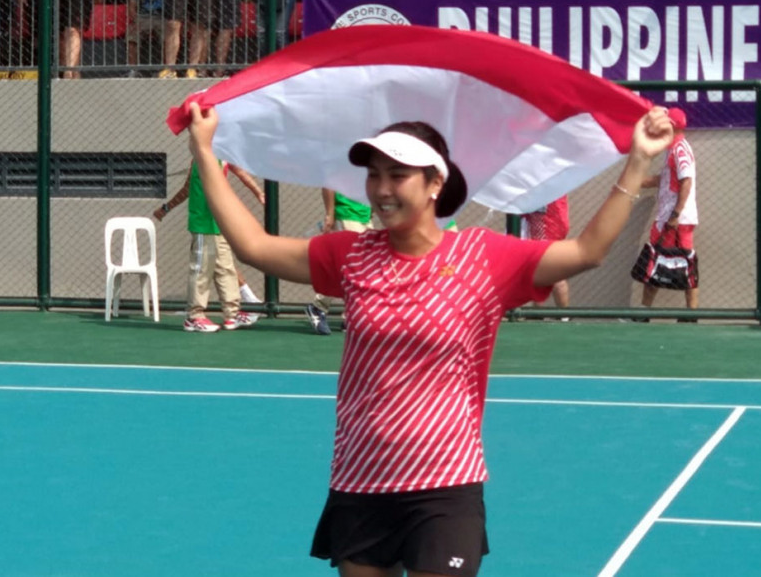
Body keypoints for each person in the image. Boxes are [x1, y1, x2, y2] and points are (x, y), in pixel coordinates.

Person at [183, 99, 676, 577]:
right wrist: (205, 152)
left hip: (446, 483)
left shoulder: (484, 257)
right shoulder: (350, 256)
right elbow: (254, 246)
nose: (381, 189)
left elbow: (587, 251)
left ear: (435, 182)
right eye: (374, 175)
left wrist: (636, 164)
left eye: (397, 176)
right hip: (361, 477)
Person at [153, 160, 265, 332]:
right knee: (201, 270)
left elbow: (241, 173)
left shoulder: (222, 156)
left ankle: (232, 315)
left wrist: (259, 193)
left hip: (219, 224)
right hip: (203, 224)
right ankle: (194, 317)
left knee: (225, 268)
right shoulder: (202, 158)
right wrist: (167, 207)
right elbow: (189, 188)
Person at [639, 108, 699, 317]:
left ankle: (690, 316)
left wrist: (675, 215)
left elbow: (686, 181)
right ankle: (644, 313)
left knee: (683, 265)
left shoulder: (680, 149)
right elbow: (663, 179)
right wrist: (634, 180)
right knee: (658, 262)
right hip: (668, 218)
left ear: (671, 126)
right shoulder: (671, 149)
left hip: (675, 221)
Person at [304, 189, 373, 335]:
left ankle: (348, 317)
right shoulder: (342, 166)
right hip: (347, 215)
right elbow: (328, 185)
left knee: (362, 268)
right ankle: (319, 306)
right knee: (352, 267)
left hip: (364, 217)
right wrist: (330, 214)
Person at [521, 196, 570, 318]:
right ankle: (540, 314)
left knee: (553, 272)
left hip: (547, 223)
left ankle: (564, 315)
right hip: (545, 221)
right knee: (537, 269)